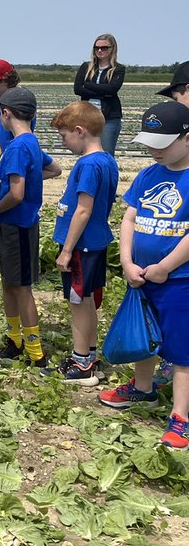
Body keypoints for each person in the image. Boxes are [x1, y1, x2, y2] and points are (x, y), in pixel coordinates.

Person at [98, 102, 189, 450]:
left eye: (162, 143)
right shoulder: (149, 174)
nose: (153, 149)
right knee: (144, 333)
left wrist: (165, 267)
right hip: (141, 276)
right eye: (150, 142)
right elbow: (130, 219)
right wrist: (126, 261)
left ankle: (180, 417)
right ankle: (143, 389)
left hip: (180, 281)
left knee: (181, 351)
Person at [49, 101, 118, 386]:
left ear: (80, 131)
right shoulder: (107, 160)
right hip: (95, 242)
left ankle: (81, 362)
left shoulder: (88, 164)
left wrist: (66, 250)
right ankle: (89, 355)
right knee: (87, 298)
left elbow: (83, 209)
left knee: (77, 301)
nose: (64, 142)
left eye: (65, 136)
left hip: (82, 246)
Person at [0, 87, 61, 367]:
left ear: (6, 114)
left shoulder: (17, 148)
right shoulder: (31, 142)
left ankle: (36, 353)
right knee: (9, 283)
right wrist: (33, 179)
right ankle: (14, 340)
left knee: (21, 288)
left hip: (15, 226)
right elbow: (54, 169)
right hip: (19, 225)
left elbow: (17, 194)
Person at [73, 34, 126, 157]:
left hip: (109, 118)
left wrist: (88, 85)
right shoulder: (86, 66)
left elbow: (112, 89)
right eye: (96, 48)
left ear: (112, 48)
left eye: (104, 48)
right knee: (87, 153)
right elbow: (77, 89)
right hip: (87, 117)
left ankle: (108, 176)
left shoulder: (118, 69)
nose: (99, 51)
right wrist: (103, 92)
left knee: (107, 154)